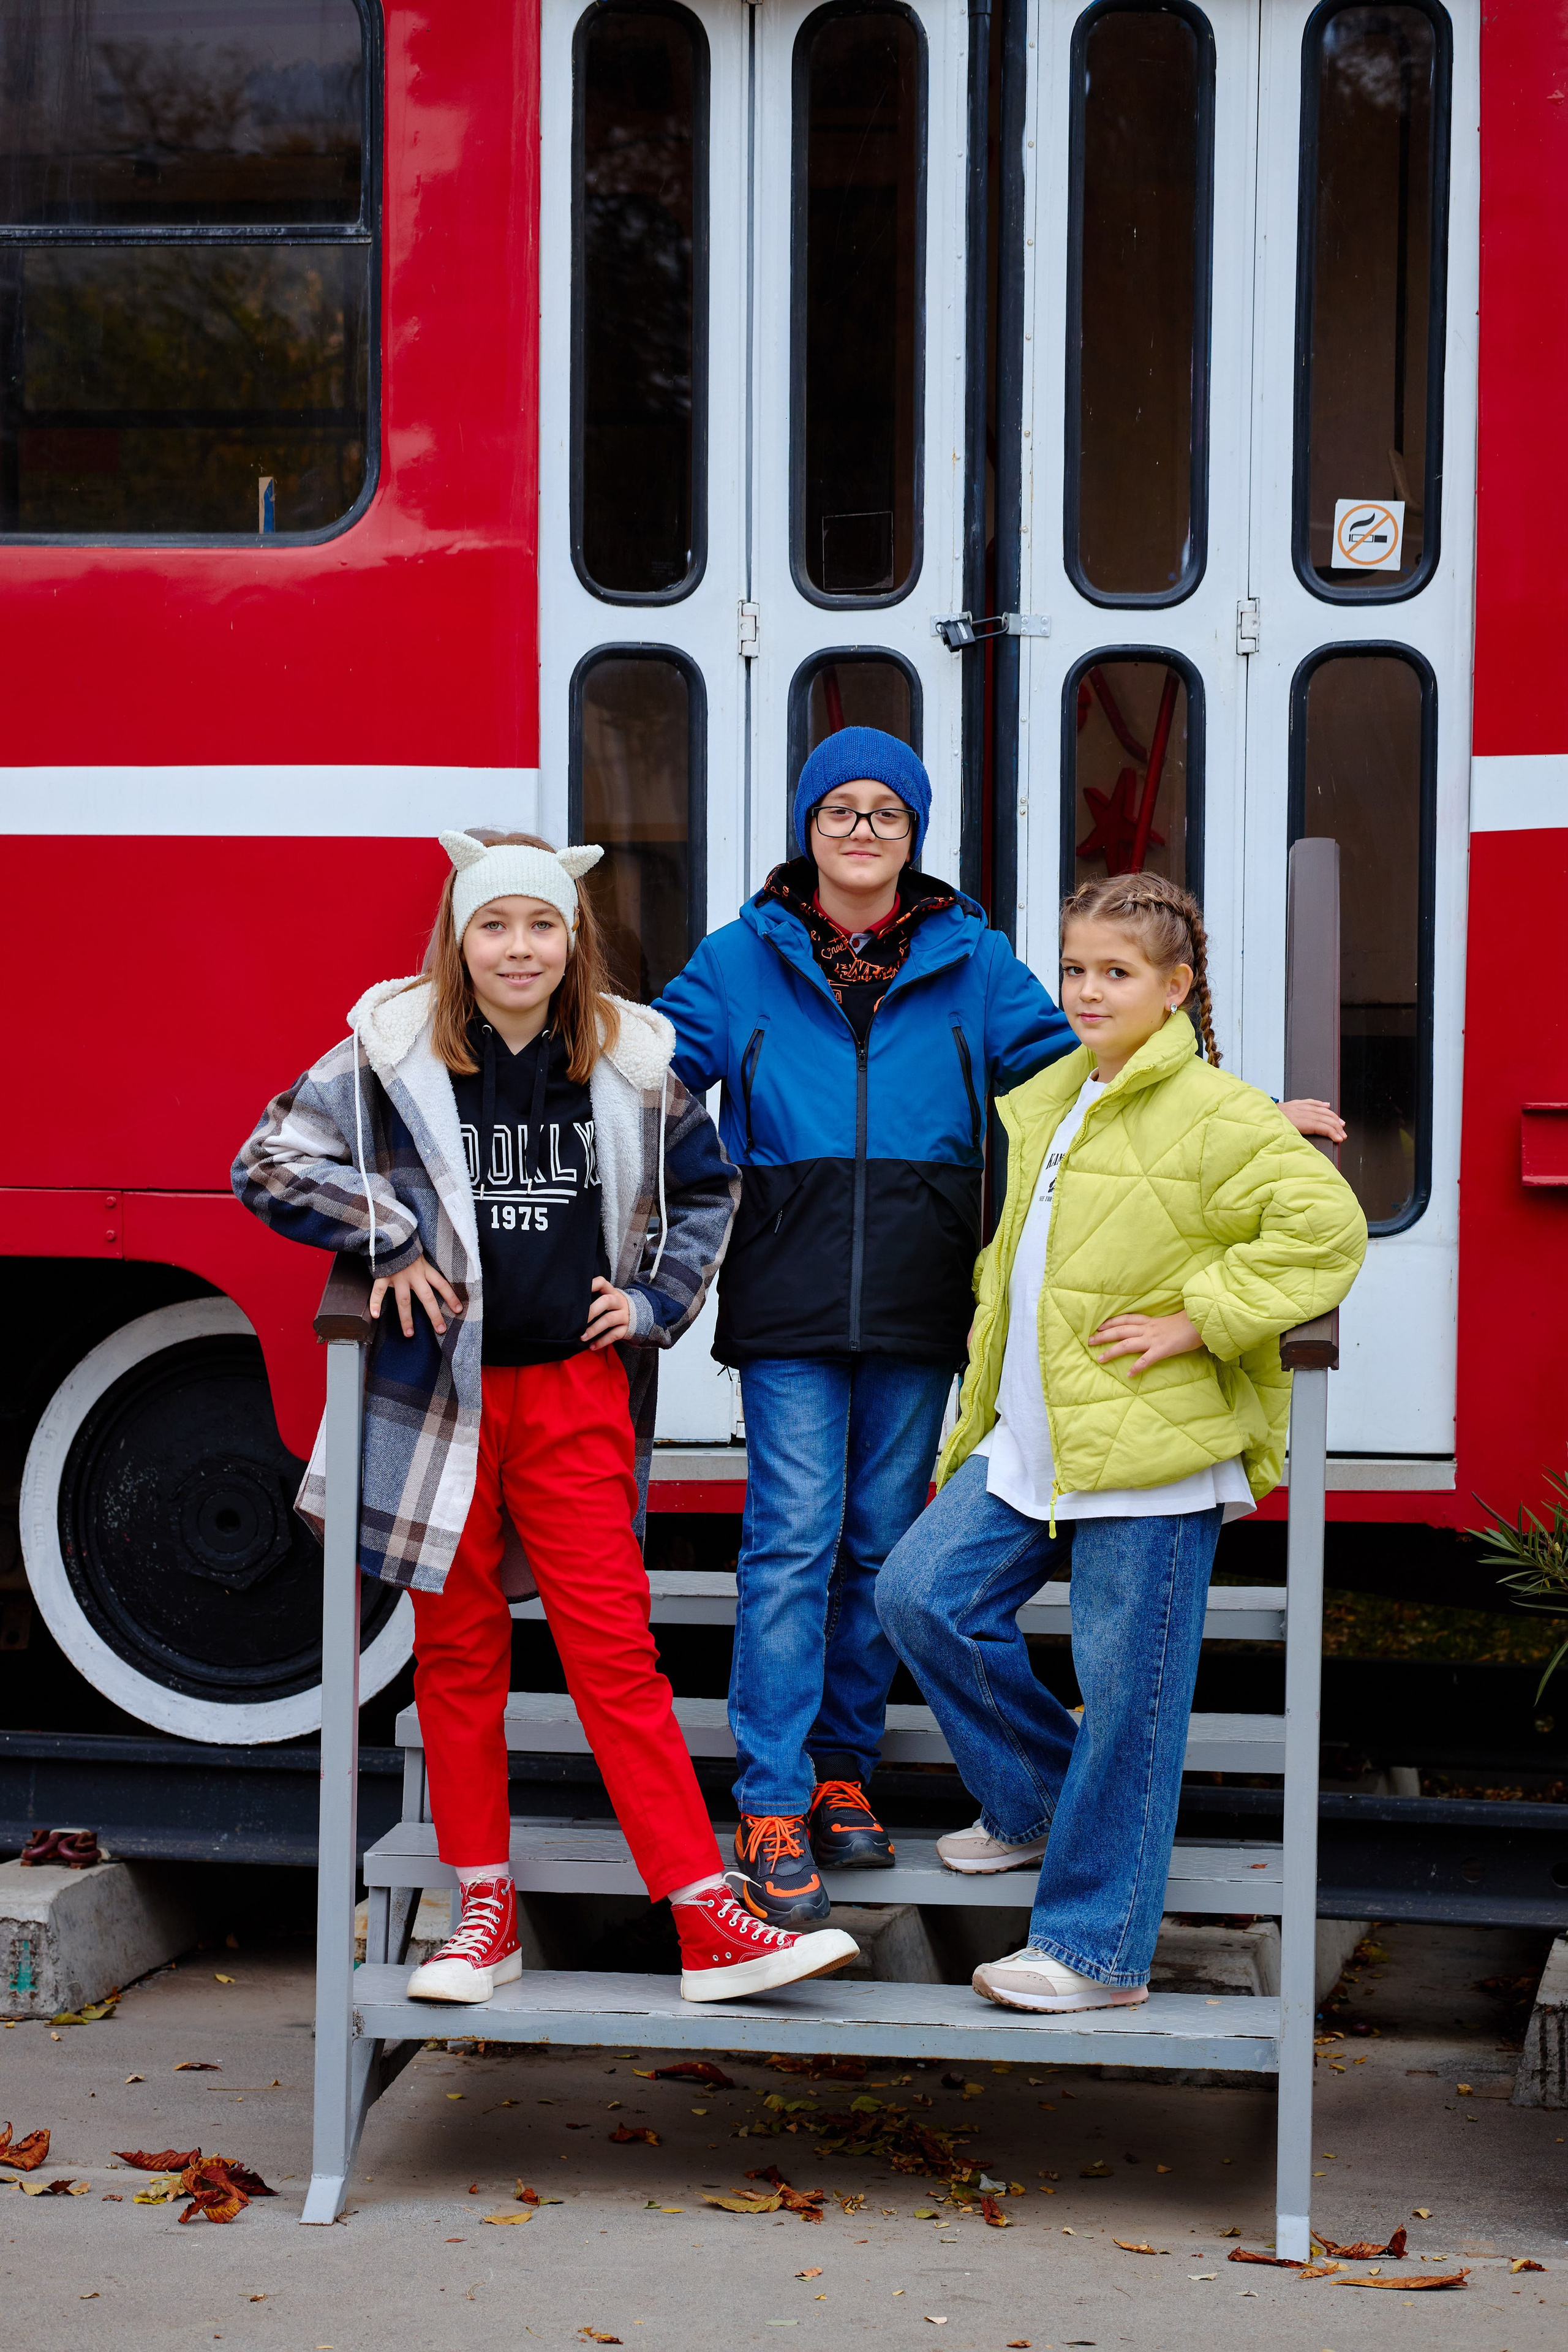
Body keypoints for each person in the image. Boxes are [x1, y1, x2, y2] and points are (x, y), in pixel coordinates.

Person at [232, 828, 858, 2005]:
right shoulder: (389, 1056)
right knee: (458, 1652)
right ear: (458, 941)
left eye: (541, 925)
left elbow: (709, 1186)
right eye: (494, 925)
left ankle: (702, 1913)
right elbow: (268, 1159)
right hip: (437, 1400)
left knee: (613, 1652)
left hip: (573, 1391)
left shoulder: (625, 1061)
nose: (518, 947)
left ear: (573, 943)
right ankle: (483, 1912)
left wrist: (659, 1299)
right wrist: (390, 1233)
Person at [874, 871, 1367, 2011]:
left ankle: (1094, 1952)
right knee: (920, 1595)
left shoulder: (1218, 1112)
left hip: (1152, 1455)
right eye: (1078, 969)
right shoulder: (1059, 1094)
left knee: (1128, 1701)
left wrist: (1203, 1317)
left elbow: (1325, 1232)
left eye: (1118, 972)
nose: (1089, 991)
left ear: (1175, 988)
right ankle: (1042, 1802)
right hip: (1037, 1438)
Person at [654, 728, 1080, 1923]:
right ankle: (773, 1800)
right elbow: (639, 1069)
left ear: (913, 832)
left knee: (880, 1545)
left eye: (882, 812)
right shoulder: (738, 958)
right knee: (790, 1539)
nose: (857, 830)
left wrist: (1246, 1114)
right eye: (836, 809)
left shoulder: (976, 962)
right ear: (806, 827)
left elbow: (1094, 1077)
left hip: (919, 1291)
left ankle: (843, 1771)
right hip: (784, 1293)